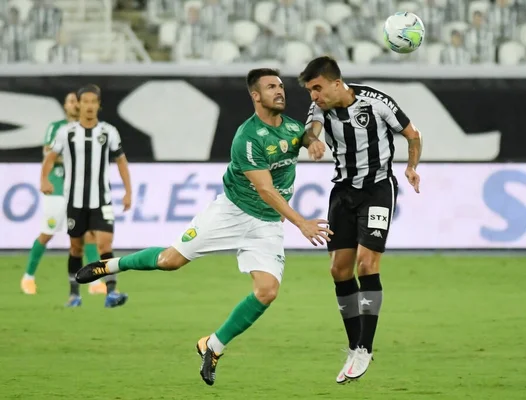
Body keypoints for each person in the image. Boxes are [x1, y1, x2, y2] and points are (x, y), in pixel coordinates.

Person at [74, 68, 332, 386]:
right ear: (256, 95)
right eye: (270, 87)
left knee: (267, 292)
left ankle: (212, 345)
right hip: (230, 213)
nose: (279, 91)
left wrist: (313, 141)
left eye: (280, 86)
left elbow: (303, 134)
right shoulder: (247, 138)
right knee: (170, 261)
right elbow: (265, 189)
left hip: (266, 225)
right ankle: (109, 265)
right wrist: (301, 222)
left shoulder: (291, 127)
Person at [299, 56, 423, 383]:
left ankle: (365, 349)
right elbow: (309, 132)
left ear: (336, 83)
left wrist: (411, 167)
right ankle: (354, 345)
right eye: (310, 90)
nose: (314, 95)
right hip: (342, 192)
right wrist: (312, 143)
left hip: (378, 190)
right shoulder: (320, 110)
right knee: (339, 269)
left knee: (367, 265)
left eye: (317, 88)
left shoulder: (376, 101)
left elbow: (412, 134)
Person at [40, 84, 132, 308]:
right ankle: (74, 294)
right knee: (76, 248)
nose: (90, 106)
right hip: (75, 200)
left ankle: (111, 292)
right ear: (79, 104)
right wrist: (44, 178)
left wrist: (128, 191)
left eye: (94, 102)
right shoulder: (66, 133)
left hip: (102, 199)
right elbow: (50, 157)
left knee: (104, 244)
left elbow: (121, 160)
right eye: (86, 102)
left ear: (99, 105)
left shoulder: (108, 131)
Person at [21, 91, 106, 298]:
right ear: (65, 106)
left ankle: (95, 282)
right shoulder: (56, 127)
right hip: (58, 188)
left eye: (77, 101)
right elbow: (49, 154)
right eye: (70, 101)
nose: (75, 105)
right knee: (47, 233)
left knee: (89, 234)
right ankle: (28, 277)